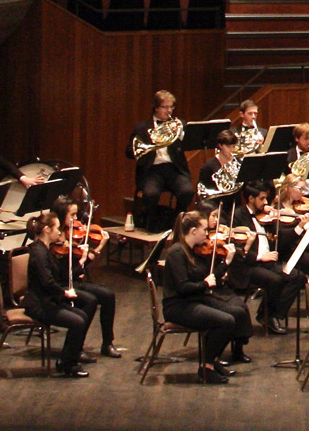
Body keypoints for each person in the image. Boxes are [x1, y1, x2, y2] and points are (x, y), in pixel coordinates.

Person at [162, 210, 254, 384]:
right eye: (204, 229)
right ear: (193, 230)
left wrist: (226, 261)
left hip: (195, 299)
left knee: (238, 313)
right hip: (178, 306)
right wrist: (205, 284)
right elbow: (183, 288)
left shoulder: (194, 251)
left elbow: (210, 276)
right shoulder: (177, 253)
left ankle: (214, 359)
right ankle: (207, 367)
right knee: (226, 321)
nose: (207, 232)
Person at [23, 210, 95, 377]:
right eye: (57, 228)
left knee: (82, 316)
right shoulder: (39, 252)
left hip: (47, 300)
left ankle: (65, 360)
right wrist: (64, 293)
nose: (60, 232)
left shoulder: (45, 249)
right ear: (47, 230)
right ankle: (69, 364)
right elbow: (47, 282)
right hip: (37, 304)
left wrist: (80, 263)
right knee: (77, 322)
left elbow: (57, 275)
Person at [231, 183, 306, 335]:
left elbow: (281, 237)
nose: (266, 202)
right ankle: (267, 316)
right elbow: (237, 248)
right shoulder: (238, 216)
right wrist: (260, 256)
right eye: (262, 198)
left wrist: (299, 227)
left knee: (297, 277)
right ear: (251, 198)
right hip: (248, 265)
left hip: (268, 262)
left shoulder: (264, 215)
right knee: (275, 280)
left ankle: (272, 315)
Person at [53, 197, 120, 359]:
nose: (76, 220)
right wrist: (82, 259)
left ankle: (107, 343)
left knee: (108, 295)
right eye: (72, 215)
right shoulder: (54, 239)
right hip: (62, 286)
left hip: (74, 281)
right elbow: (67, 272)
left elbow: (78, 269)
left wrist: (100, 246)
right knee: (90, 300)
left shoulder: (71, 235)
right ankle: (77, 347)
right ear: (62, 215)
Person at [127, 90, 195, 231]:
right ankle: (153, 223)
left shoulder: (179, 125)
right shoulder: (142, 128)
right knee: (150, 194)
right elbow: (128, 152)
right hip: (152, 171)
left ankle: (177, 222)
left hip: (174, 169)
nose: (169, 111)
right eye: (165, 107)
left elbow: (189, 146)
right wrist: (144, 148)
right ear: (156, 107)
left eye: (171, 107)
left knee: (187, 191)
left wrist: (183, 136)